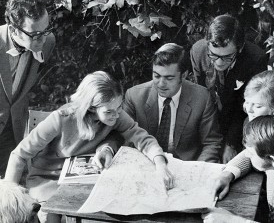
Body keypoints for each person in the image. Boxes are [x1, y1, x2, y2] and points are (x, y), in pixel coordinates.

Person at [5, 71, 174, 223]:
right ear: (91, 108)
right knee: (48, 215)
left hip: (83, 180)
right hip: (48, 179)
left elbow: (142, 138)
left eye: (119, 107)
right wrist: (10, 200)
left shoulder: (114, 113)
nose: (117, 115)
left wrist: (160, 164)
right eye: (109, 111)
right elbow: (19, 155)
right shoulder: (60, 119)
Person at [203, 115, 274, 223]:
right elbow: (248, 155)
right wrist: (227, 175)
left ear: (273, 160)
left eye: (251, 154)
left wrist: (231, 220)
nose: (247, 155)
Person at [124, 43, 223, 163]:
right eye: (156, 76)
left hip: (186, 167)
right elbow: (122, 136)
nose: (160, 84)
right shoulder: (134, 96)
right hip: (145, 164)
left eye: (169, 78)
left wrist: (196, 170)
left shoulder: (202, 98)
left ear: (184, 75)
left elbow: (211, 143)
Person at [190, 14, 268, 163]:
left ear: (240, 48)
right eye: (213, 55)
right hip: (210, 117)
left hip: (239, 118)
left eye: (227, 57)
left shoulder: (256, 59)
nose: (219, 63)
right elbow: (201, 95)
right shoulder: (197, 51)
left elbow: (245, 107)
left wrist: (231, 143)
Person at [0, 0, 56, 176]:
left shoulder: (47, 42)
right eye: (35, 34)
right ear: (14, 29)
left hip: (14, 128)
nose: (42, 39)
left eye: (45, 30)